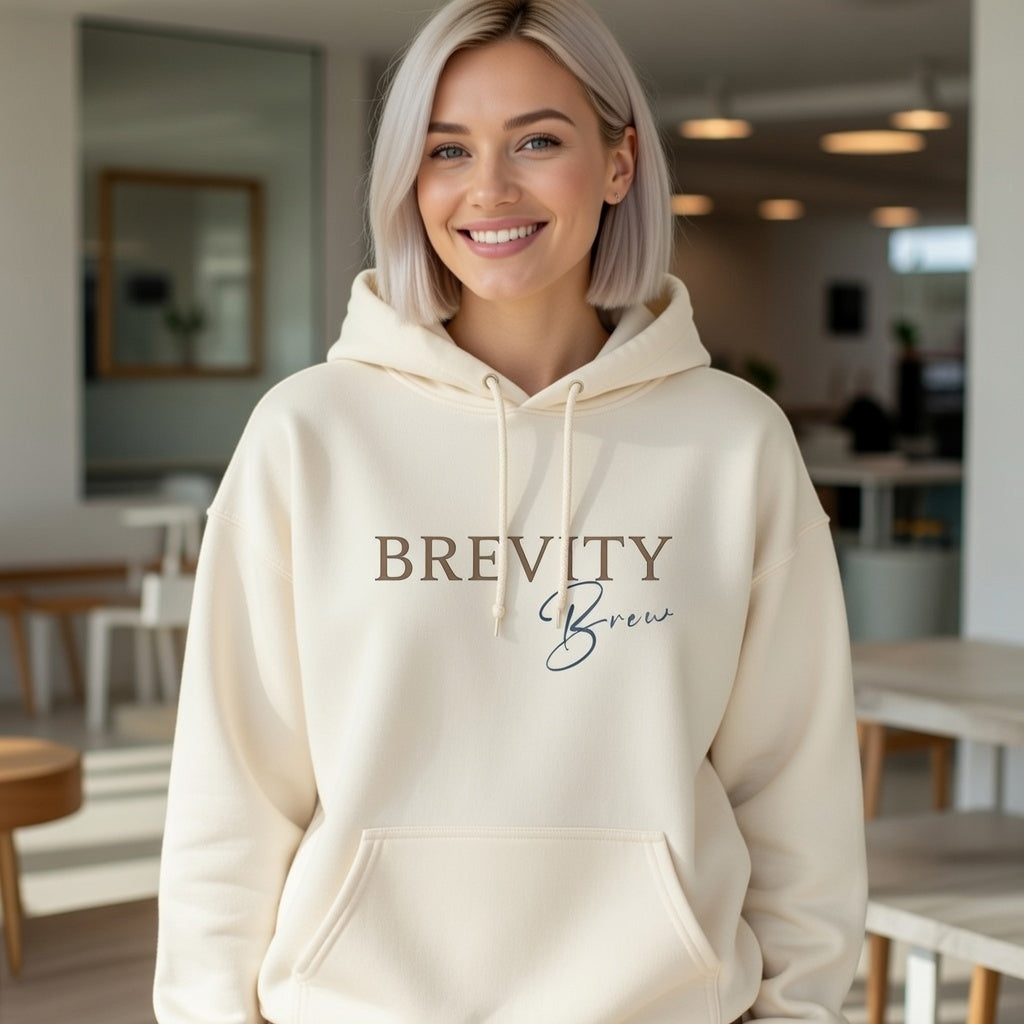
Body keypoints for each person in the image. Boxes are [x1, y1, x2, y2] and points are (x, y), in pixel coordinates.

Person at [154, 0, 867, 1021]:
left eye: (537, 139)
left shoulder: (734, 443)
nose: (488, 188)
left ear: (619, 164)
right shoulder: (306, 435)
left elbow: (796, 795)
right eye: (448, 149)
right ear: (409, 177)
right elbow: (233, 790)